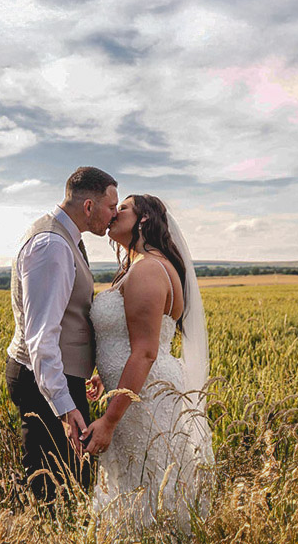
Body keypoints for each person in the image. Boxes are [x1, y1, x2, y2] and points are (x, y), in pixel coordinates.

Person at [82, 194, 213, 534]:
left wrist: (109, 421)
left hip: (144, 398)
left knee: (147, 484)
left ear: (143, 219)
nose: (113, 213)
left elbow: (144, 352)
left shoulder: (148, 270)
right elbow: (129, 341)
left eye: (121, 208)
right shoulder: (141, 266)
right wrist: (105, 372)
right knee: (147, 485)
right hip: (138, 390)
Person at [5, 167, 119, 502]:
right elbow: (42, 337)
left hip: (57, 377)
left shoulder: (64, 239)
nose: (114, 216)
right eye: (110, 207)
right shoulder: (52, 246)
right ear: (88, 207)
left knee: (71, 483)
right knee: (54, 492)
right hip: (43, 381)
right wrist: (64, 406)